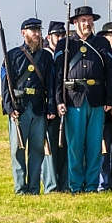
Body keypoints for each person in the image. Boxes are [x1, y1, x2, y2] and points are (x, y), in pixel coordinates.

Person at [54, 6, 112, 193]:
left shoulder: (101, 43)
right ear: (75, 22)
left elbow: (111, 73)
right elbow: (58, 75)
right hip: (73, 99)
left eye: (89, 20)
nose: (87, 23)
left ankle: (91, 185)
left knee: (94, 145)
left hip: (97, 99)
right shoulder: (65, 44)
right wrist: (59, 100)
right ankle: (75, 185)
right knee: (75, 146)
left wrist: (110, 99)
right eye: (83, 20)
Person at [2, 17, 55, 195]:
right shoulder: (12, 55)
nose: (37, 34)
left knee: (37, 149)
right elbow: (6, 84)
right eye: (33, 31)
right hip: (20, 107)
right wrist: (9, 108)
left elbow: (50, 83)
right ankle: (20, 188)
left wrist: (51, 107)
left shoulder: (46, 57)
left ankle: (33, 188)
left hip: (39, 107)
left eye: (39, 31)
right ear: (23, 33)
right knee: (18, 150)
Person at [41, 20, 68, 193]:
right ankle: (51, 185)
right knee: (49, 147)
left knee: (65, 147)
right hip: (47, 107)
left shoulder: (66, 54)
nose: (59, 39)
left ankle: (65, 184)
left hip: (66, 106)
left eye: (62, 35)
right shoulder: (44, 56)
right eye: (57, 35)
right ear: (49, 37)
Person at [96, 20, 112, 191]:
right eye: (111, 35)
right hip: (103, 106)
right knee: (103, 149)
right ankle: (103, 183)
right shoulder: (101, 55)